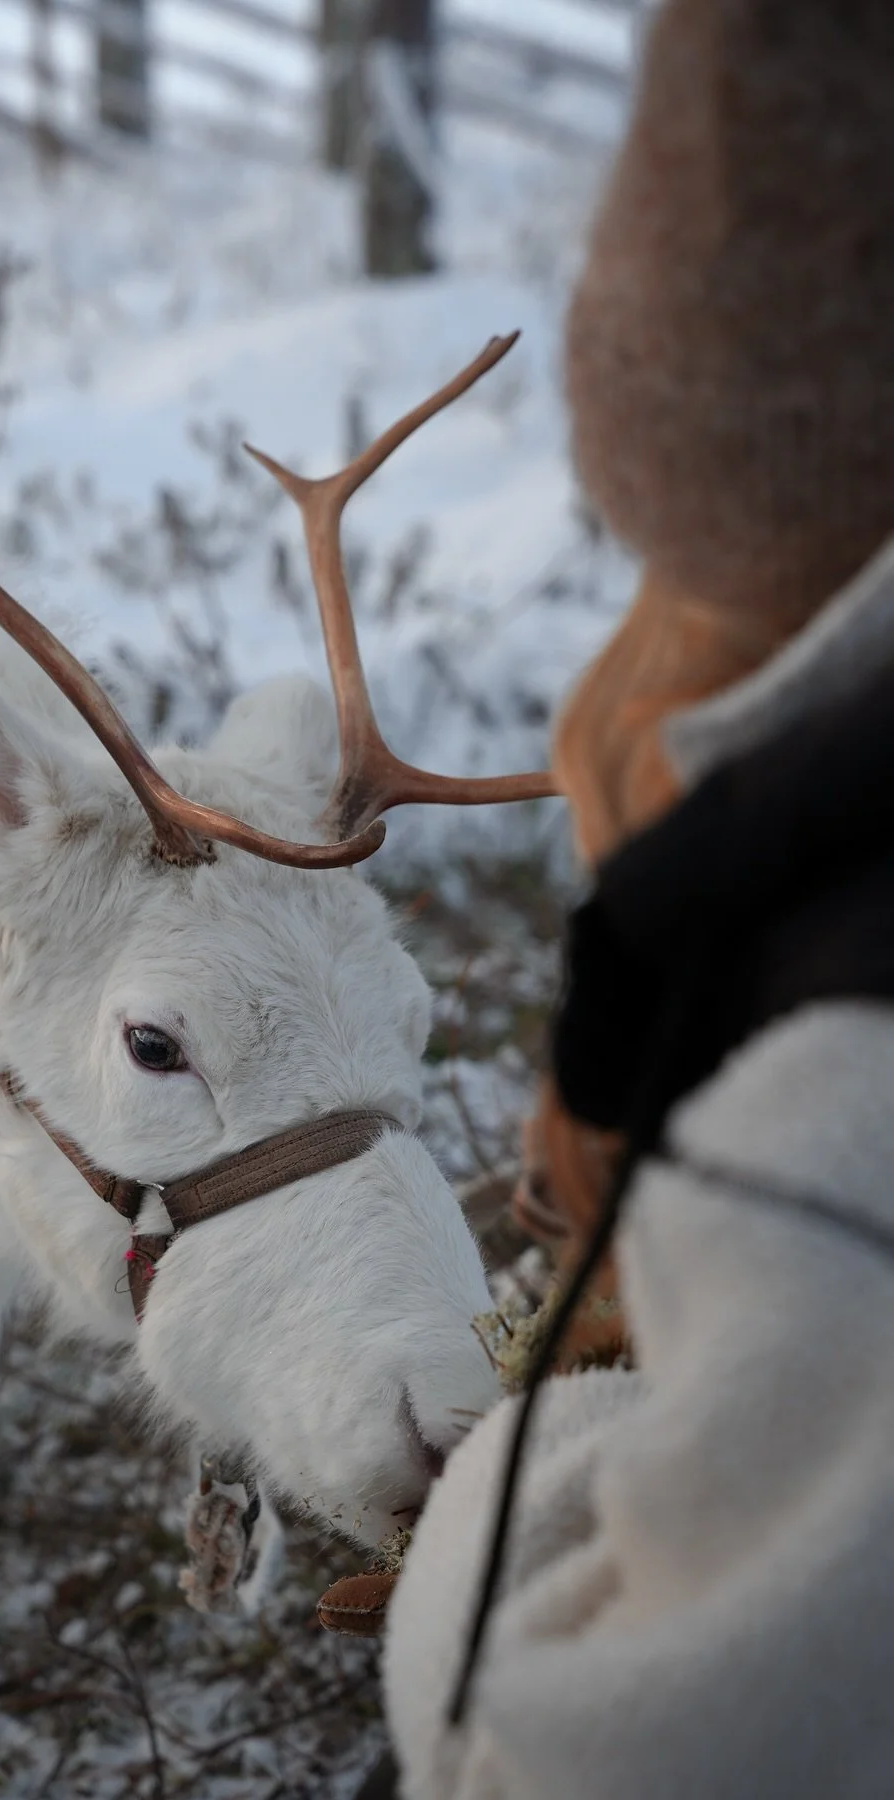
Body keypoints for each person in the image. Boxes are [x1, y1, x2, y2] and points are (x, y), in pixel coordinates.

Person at [377, 1, 894, 1794]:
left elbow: (547, 1756)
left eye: (677, 582)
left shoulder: (835, 1122)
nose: (605, 700)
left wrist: (573, 1409)